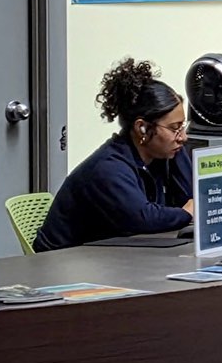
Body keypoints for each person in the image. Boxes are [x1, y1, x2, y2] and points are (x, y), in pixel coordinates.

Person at [33, 57, 194, 251]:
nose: (183, 137)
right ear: (142, 128)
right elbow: (144, 218)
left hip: (111, 256)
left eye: (182, 127)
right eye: (175, 129)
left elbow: (192, 198)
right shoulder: (107, 168)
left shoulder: (159, 156)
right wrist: (187, 213)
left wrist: (176, 152)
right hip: (64, 263)